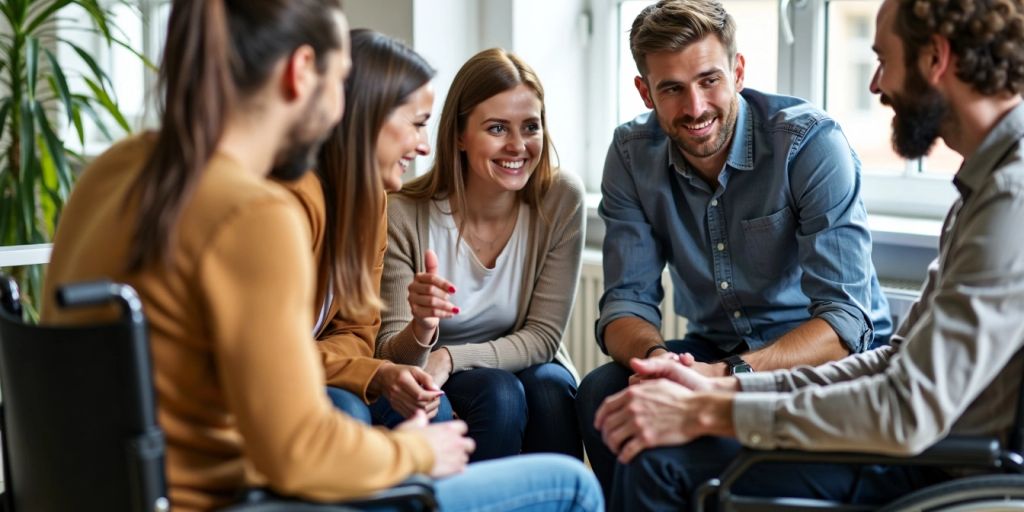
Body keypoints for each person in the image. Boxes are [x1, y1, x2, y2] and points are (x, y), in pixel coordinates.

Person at [40, 1, 603, 510]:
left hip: (93, 487)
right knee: (571, 485)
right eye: (341, 81)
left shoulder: (114, 166)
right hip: (225, 498)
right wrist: (413, 455)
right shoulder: (254, 210)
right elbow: (299, 450)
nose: (344, 108)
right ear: (301, 70)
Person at [594, 0, 1024, 509]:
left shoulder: (1009, 200)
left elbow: (904, 408)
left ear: (936, 58)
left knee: (657, 463)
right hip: (911, 435)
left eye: (883, 60)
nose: (876, 85)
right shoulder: (984, 188)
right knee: (611, 399)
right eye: (671, 88)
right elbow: (897, 362)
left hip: (942, 463)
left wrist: (709, 410)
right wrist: (723, 388)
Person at [577, 0, 893, 491]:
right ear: (645, 93)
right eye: (672, 89)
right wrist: (659, 361)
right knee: (602, 394)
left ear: (738, 70)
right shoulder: (630, 155)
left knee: (650, 462)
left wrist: (724, 375)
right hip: (715, 346)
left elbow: (844, 323)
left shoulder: (808, 144)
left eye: (709, 80)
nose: (696, 107)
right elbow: (624, 305)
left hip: (816, 363)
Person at [376, 48, 586, 461]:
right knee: (499, 392)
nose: (518, 146)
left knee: (549, 387)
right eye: (496, 129)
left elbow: (544, 338)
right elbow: (390, 356)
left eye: (530, 127)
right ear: (458, 135)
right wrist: (421, 329)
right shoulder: (403, 213)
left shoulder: (561, 198)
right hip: (434, 376)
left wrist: (451, 356)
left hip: (510, 361)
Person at [280, 29, 453, 427]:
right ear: (366, 115)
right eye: (417, 123)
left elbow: (359, 331)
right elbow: (271, 352)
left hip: (311, 368)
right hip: (264, 381)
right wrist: (371, 373)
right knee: (346, 410)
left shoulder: (372, 200)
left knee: (432, 406)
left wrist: (373, 368)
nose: (425, 145)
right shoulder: (288, 204)